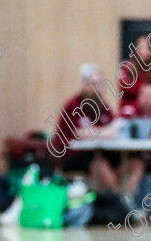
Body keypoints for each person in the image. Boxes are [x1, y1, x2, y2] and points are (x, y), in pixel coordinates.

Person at [53, 64, 144, 199]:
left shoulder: (103, 107)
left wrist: (100, 131)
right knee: (100, 165)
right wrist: (105, 131)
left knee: (136, 164)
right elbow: (83, 134)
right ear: (84, 85)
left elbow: (114, 131)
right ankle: (119, 204)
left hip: (101, 154)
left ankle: (126, 201)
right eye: (92, 84)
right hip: (74, 156)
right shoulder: (74, 106)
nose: (95, 88)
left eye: (99, 84)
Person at [118, 32, 151, 118]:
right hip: (129, 110)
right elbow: (124, 86)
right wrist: (143, 89)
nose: (144, 51)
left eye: (146, 47)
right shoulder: (127, 67)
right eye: (141, 47)